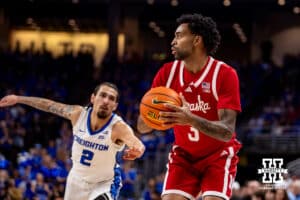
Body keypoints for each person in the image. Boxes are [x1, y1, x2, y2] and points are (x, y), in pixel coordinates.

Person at [137, 13, 242, 200]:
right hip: (184, 156)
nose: (173, 42)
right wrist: (157, 117)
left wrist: (190, 119)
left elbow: (227, 131)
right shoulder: (167, 74)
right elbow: (141, 126)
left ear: (196, 40)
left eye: (178, 36)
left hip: (218, 155)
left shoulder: (224, 74)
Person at [0, 82, 145, 200]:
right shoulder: (78, 114)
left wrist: (138, 149)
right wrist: (19, 99)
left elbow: (135, 142)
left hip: (104, 183)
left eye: (111, 99)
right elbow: (49, 105)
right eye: (103, 95)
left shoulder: (118, 127)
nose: (106, 101)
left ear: (115, 106)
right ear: (93, 98)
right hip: (76, 180)